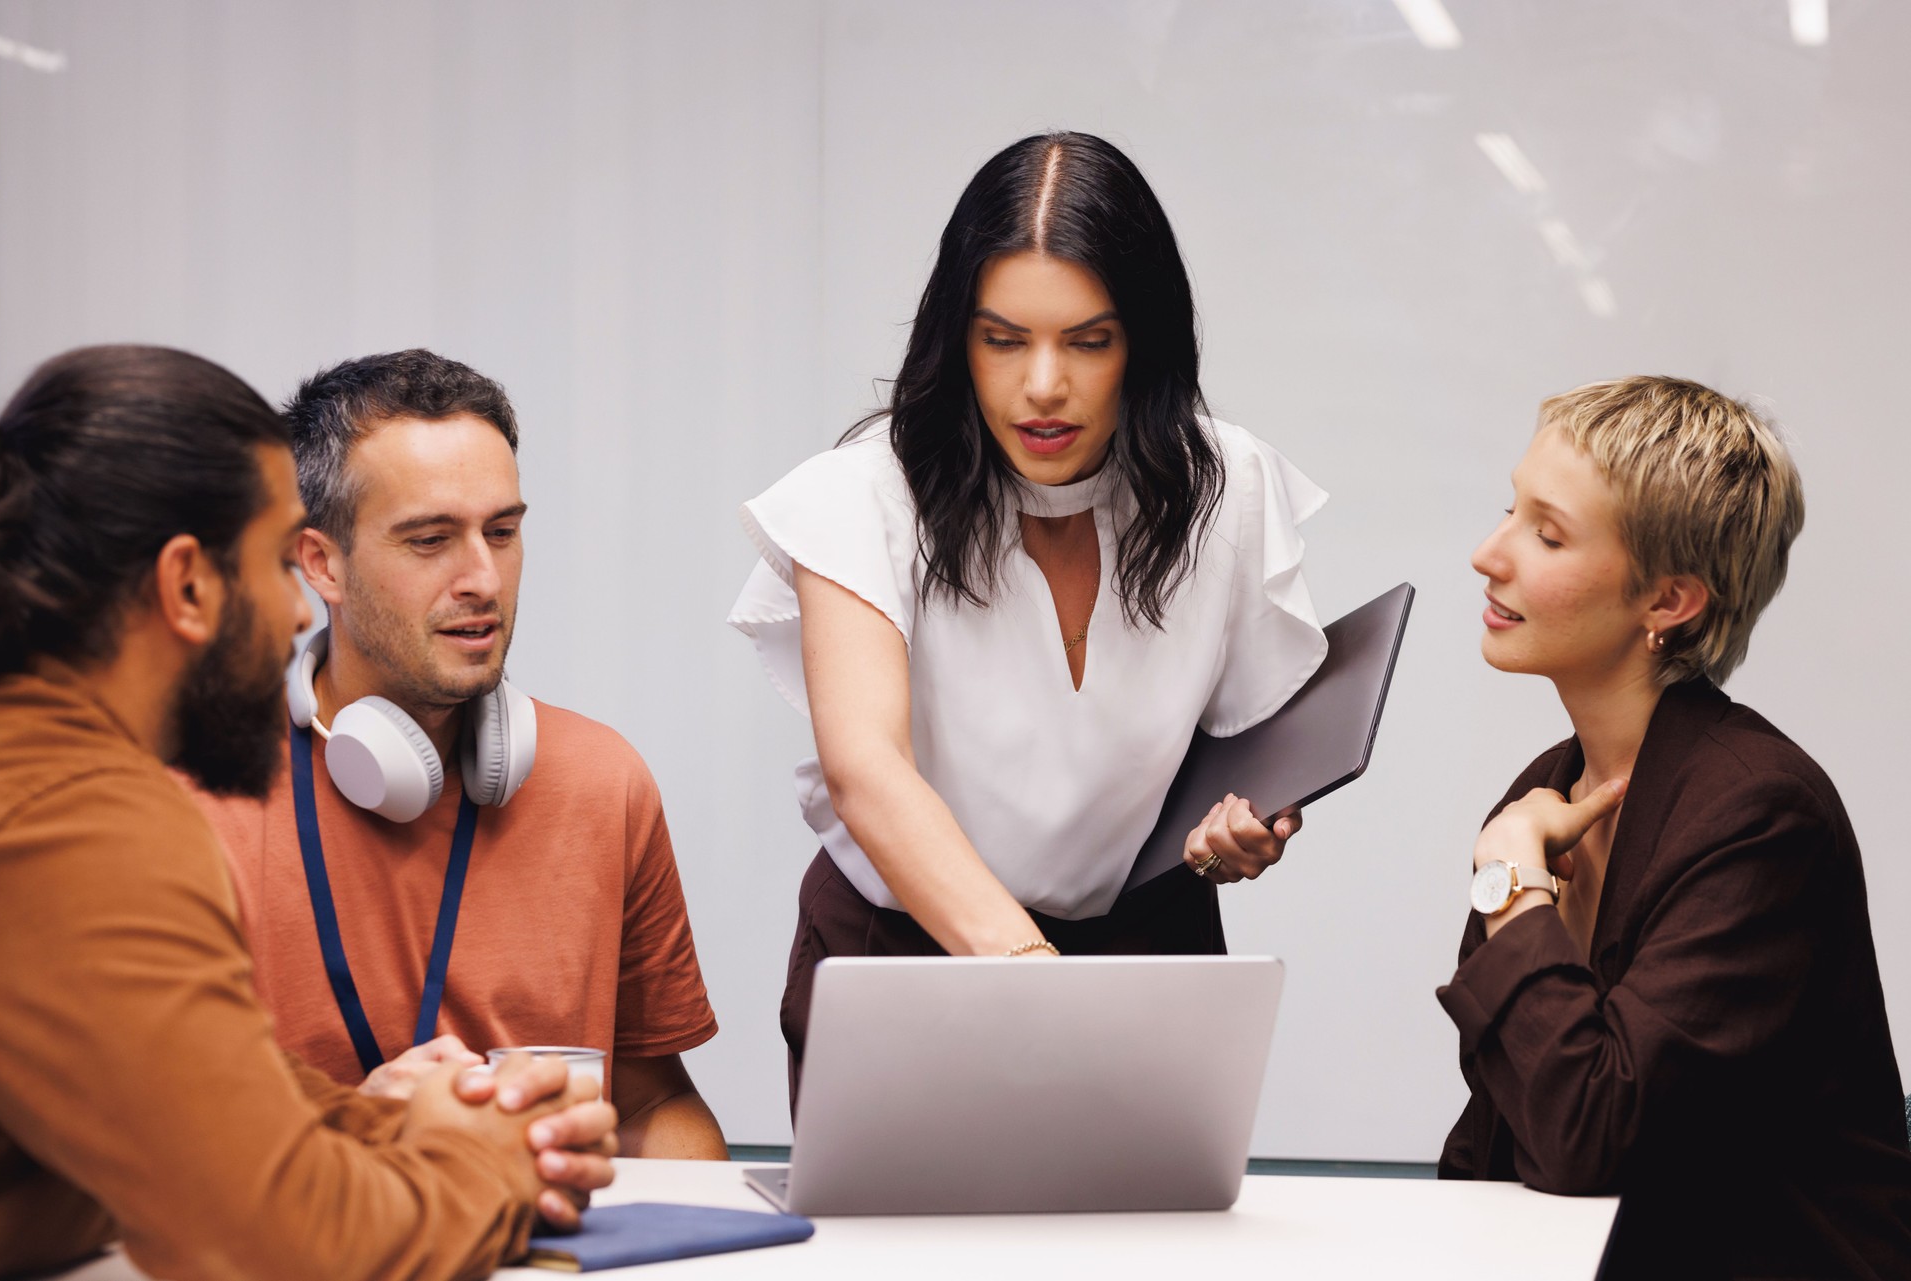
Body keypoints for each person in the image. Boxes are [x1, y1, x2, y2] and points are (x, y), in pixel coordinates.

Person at [0, 345, 619, 1280]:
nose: (296, 615)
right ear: (188, 586)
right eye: (276, 564)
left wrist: (418, 1119)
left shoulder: (38, 780)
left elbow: (198, 1102)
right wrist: (483, 1165)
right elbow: (277, 1242)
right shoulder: (81, 821)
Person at [728, 131, 1328, 1098]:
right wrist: (1034, 982)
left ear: (1144, 341)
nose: (1043, 384)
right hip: (906, 958)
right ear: (955, 338)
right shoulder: (858, 496)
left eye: (1089, 341)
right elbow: (866, 771)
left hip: (1142, 951)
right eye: (1003, 339)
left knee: (1142, 1252)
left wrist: (1254, 823)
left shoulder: (1228, 483)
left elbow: (1253, 742)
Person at [183, 349, 726, 1158]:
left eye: (502, 532)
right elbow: (141, 1137)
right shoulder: (190, 792)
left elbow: (654, 1101)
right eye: (431, 539)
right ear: (321, 562)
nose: (483, 578)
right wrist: (348, 1125)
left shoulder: (602, 783)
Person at [1438, 376, 1911, 1278]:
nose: (1488, 554)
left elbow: (1588, 1138)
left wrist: (1510, 883)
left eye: (1547, 533)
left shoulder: (1760, 814)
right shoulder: (1549, 788)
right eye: (1510, 510)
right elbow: (1499, 1126)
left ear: (1669, 602)